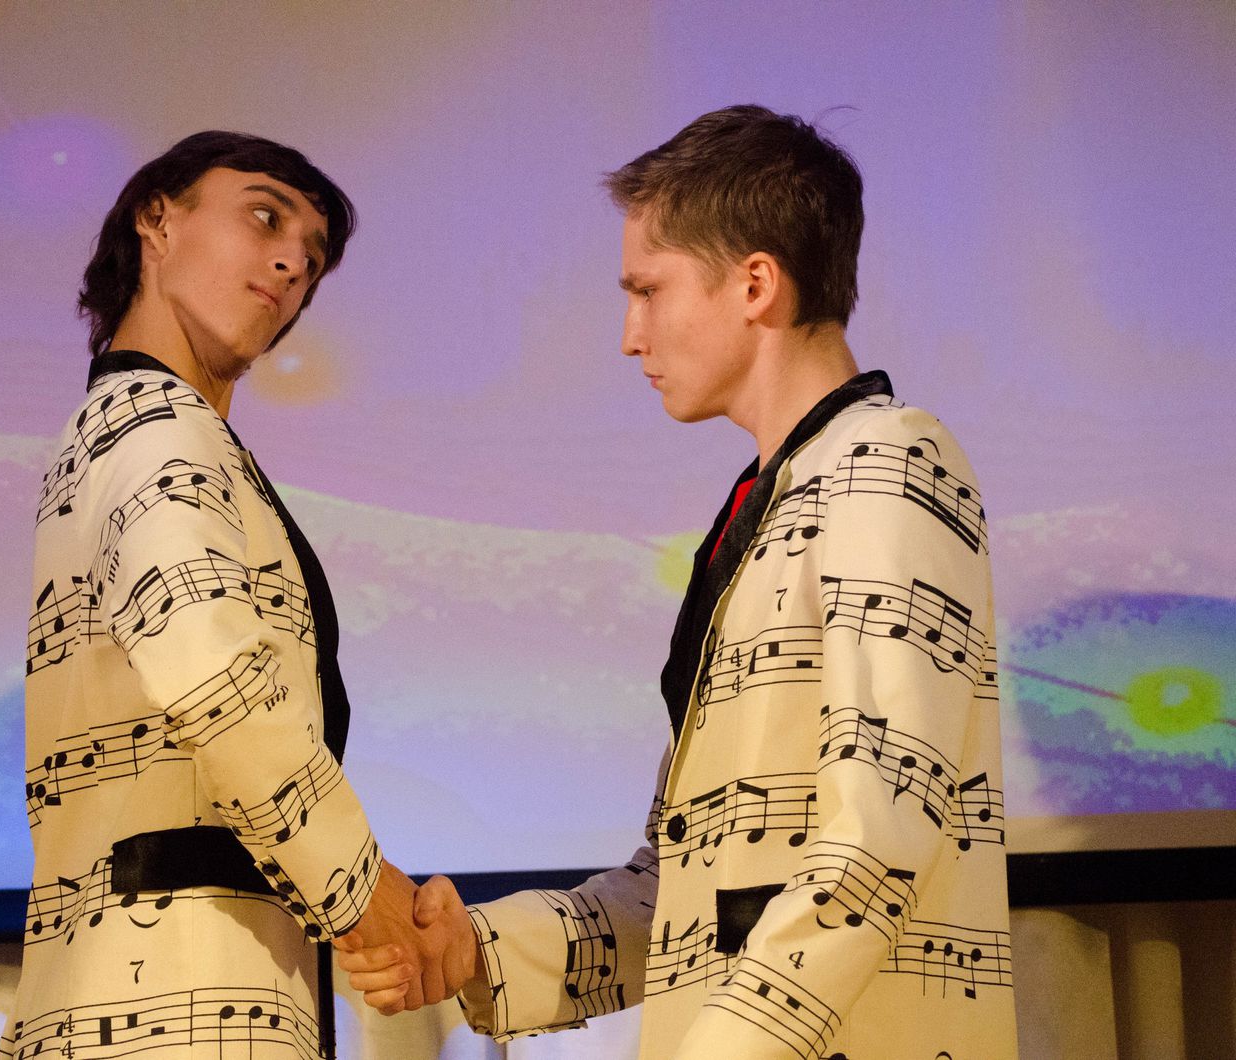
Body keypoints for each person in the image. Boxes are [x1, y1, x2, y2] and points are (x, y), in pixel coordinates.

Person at [339, 105, 1018, 1059]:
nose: (630, 335)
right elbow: (685, 894)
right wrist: (477, 950)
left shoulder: (887, 460)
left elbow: (881, 830)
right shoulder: (768, 501)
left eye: (648, 290)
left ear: (755, 284)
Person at [0, 131, 461, 1060]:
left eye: (313, 259)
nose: (292, 264)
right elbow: (215, 680)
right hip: (176, 992)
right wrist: (365, 892)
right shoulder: (155, 428)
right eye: (263, 217)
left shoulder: (132, 428)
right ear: (157, 219)